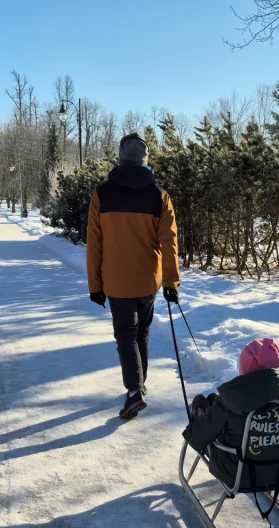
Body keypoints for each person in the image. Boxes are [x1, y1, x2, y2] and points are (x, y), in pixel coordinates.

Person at [86, 132, 179, 420]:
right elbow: (169, 242)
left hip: (116, 280)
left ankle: (134, 390)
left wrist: (95, 285)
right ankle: (139, 386)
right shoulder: (159, 196)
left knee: (126, 335)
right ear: (145, 160)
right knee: (142, 333)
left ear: (121, 158)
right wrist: (171, 282)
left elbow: (95, 242)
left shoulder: (102, 193)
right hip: (147, 279)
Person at [183, 338, 279, 492]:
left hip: (234, 472)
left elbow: (196, 438)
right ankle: (212, 412)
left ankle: (202, 412)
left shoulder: (231, 398)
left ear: (245, 367)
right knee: (218, 406)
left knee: (208, 409)